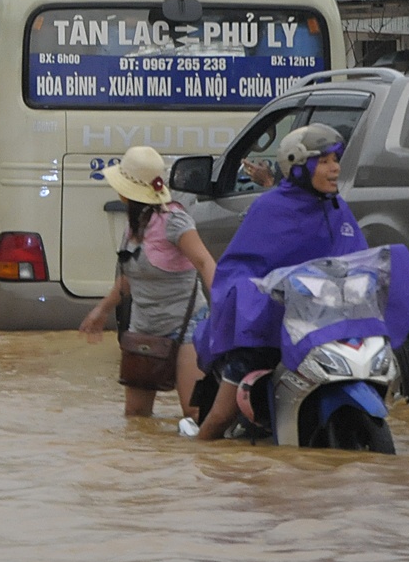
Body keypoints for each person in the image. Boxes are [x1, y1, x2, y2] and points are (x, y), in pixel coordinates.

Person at [191, 124, 365, 441]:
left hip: (322, 324)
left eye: (335, 159)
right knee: (221, 417)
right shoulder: (270, 208)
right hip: (268, 325)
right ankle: (200, 452)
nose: (335, 167)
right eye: (324, 160)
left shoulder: (338, 209)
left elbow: (357, 259)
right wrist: (259, 293)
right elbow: (237, 269)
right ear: (298, 164)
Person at [78, 146, 217, 421]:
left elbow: (205, 263)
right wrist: (102, 310)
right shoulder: (134, 225)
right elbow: (129, 277)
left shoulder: (175, 221)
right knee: (136, 417)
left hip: (186, 325)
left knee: (194, 413)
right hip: (143, 328)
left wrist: (224, 310)